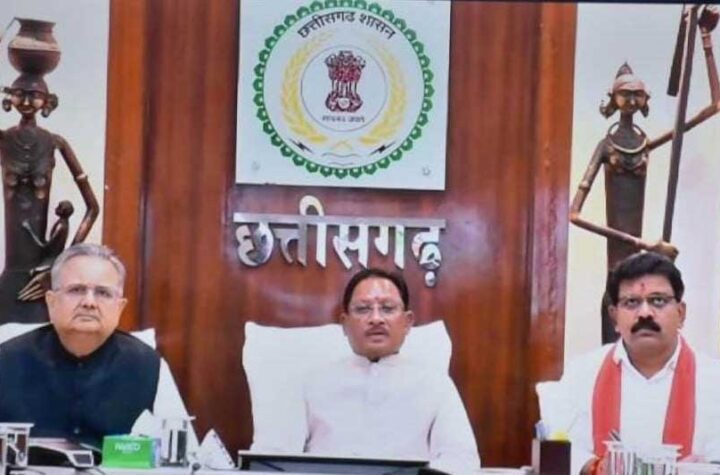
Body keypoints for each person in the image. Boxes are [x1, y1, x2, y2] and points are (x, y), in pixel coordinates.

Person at [0, 243, 190, 449]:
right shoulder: (6, 360)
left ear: (120, 307)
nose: (89, 302)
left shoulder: (148, 365)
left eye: (103, 293)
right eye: (76, 290)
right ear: (51, 302)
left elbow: (182, 455)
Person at [300, 268, 480, 474]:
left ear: (407, 322)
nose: (376, 319)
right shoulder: (312, 382)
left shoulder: (435, 385)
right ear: (345, 324)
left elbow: (461, 459)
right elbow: (278, 456)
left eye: (387, 308)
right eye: (363, 309)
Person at [559, 252, 720, 474]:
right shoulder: (581, 374)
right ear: (614, 317)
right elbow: (564, 449)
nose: (645, 313)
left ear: (681, 313)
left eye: (658, 300)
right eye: (632, 302)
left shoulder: (714, 380)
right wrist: (595, 467)